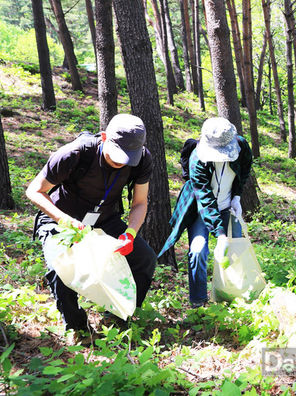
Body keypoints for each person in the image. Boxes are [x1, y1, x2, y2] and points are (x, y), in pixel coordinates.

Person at [26, 114, 157, 334]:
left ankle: (117, 318)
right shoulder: (75, 153)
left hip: (105, 218)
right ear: (104, 137)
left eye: (128, 158)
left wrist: (131, 233)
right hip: (61, 218)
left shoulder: (142, 159)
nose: (120, 161)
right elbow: (34, 190)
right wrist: (64, 220)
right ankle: (78, 328)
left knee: (145, 259)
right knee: (61, 267)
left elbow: (140, 202)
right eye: (116, 155)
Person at [159, 117, 253, 307]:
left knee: (234, 254)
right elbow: (205, 198)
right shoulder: (197, 159)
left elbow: (244, 171)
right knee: (197, 250)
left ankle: (231, 297)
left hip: (228, 206)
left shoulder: (241, 147)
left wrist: (236, 196)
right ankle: (198, 303)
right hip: (202, 210)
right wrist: (219, 234)